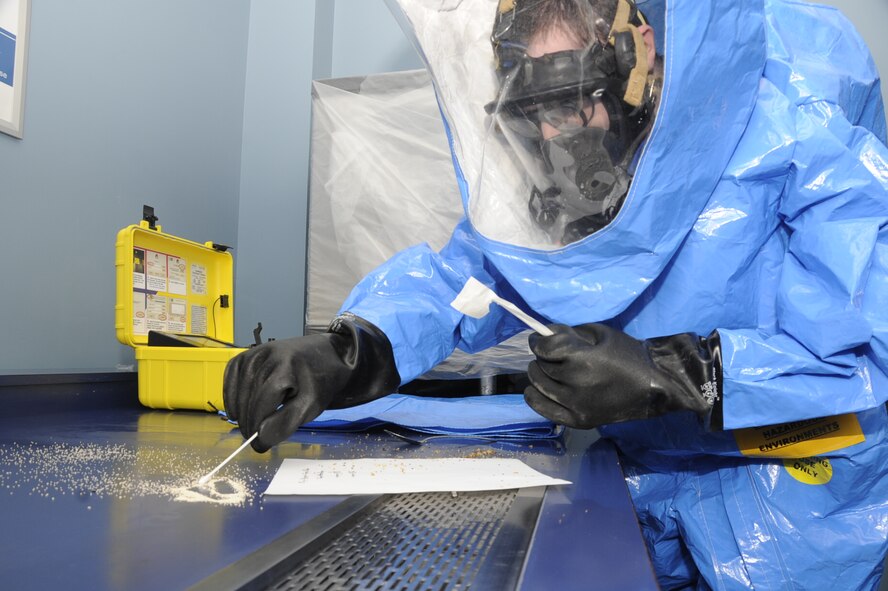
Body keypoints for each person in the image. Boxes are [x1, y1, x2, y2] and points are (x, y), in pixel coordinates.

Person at [224, 0, 888, 588]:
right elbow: (468, 278)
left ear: (639, 59)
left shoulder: (788, 125)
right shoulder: (563, 191)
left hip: (800, 496)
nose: (557, 135)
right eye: (533, 110)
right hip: (646, 492)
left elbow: (867, 343)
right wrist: (353, 348)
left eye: (575, 98)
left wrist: (684, 374)